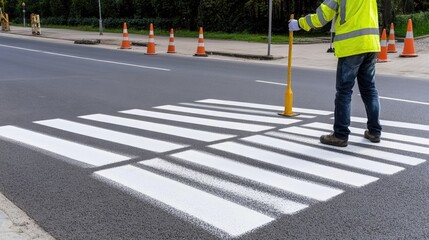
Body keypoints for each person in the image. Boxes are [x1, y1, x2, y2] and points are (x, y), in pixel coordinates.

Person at [289, 0, 382, 147]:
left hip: (352, 47)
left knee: (344, 92)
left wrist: (299, 23)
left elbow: (321, 17)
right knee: (369, 89)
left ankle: (340, 135)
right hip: (371, 44)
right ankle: (375, 131)